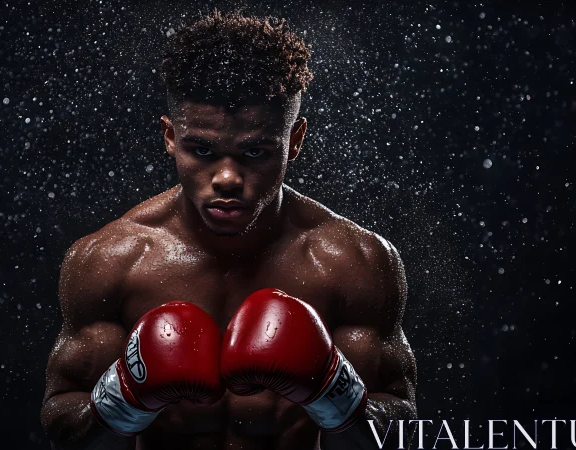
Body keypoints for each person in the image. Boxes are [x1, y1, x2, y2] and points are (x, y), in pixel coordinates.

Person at [41, 10, 417, 450]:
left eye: (255, 151)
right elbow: (63, 428)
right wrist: (122, 397)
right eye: (201, 149)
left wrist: (334, 390)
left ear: (294, 141)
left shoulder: (355, 262)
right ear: (169, 137)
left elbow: (400, 431)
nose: (226, 178)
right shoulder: (110, 260)